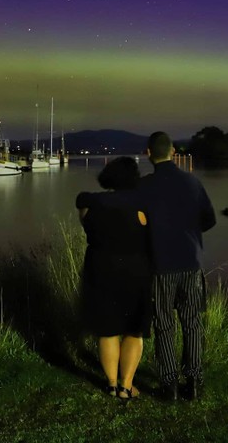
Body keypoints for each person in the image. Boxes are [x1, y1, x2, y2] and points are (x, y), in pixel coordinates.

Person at [142, 131, 216, 401]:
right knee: (192, 322)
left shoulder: (144, 187)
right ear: (173, 151)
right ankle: (194, 381)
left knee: (164, 324)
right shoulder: (192, 183)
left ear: (148, 153)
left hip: (161, 264)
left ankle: (170, 384)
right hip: (191, 262)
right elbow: (209, 220)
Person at [75, 157, 152, 400]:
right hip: (136, 270)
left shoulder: (89, 203)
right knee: (134, 329)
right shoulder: (144, 204)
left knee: (107, 329)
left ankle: (110, 384)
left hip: (101, 269)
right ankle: (126, 386)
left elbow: (84, 211)